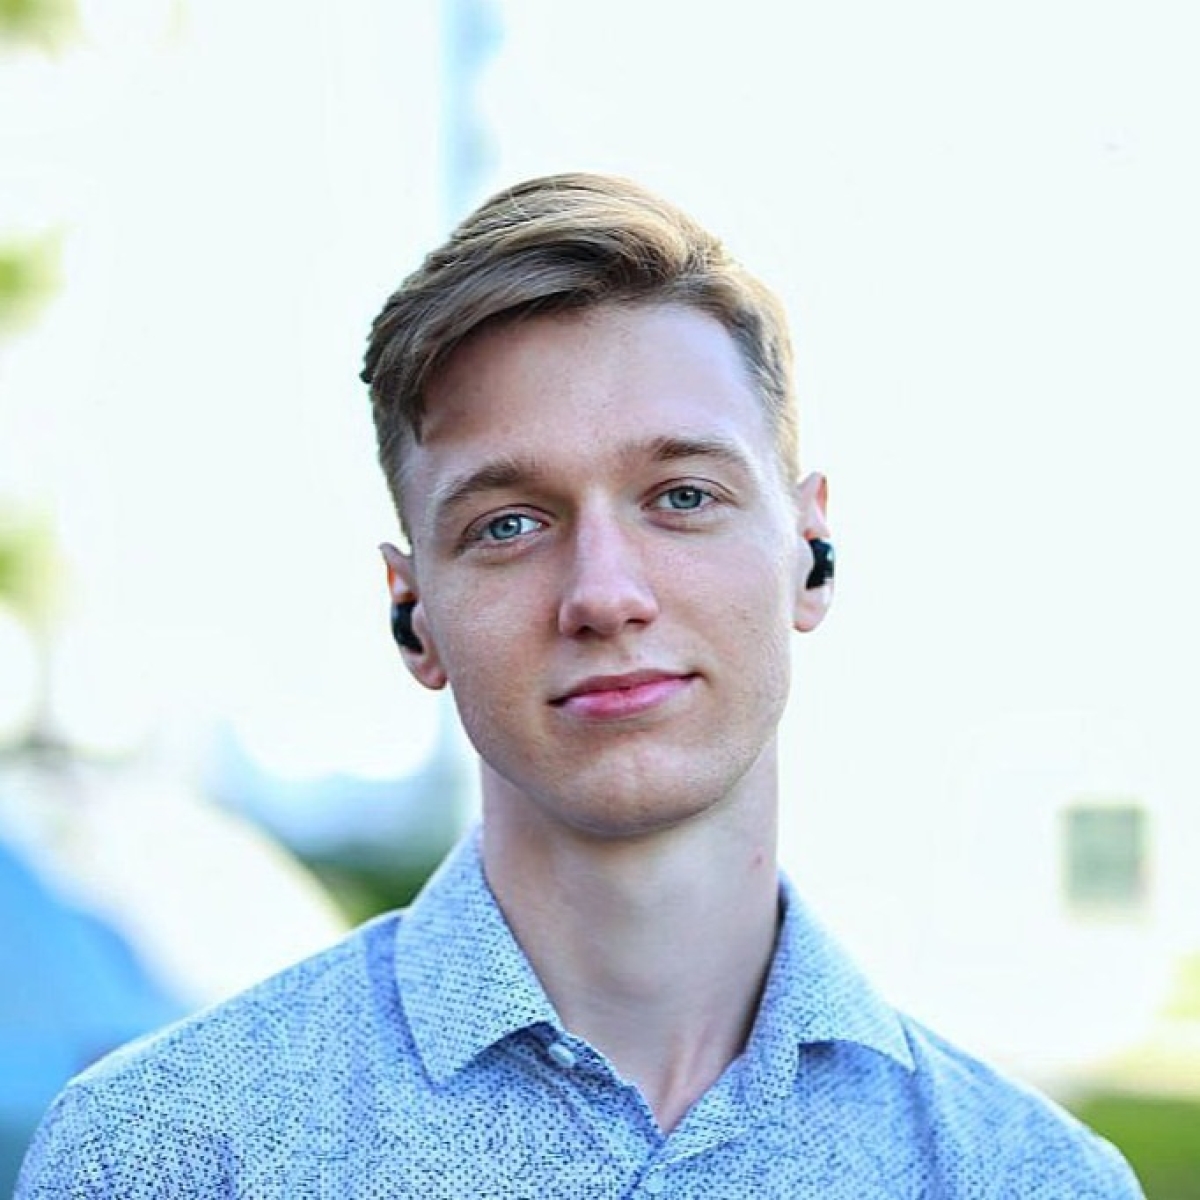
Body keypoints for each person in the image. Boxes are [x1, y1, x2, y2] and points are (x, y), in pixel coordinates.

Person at [17, 173, 1144, 1198]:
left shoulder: (1030, 1180)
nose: (605, 595)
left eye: (684, 496)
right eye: (509, 524)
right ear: (413, 614)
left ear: (810, 550)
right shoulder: (164, 1155)